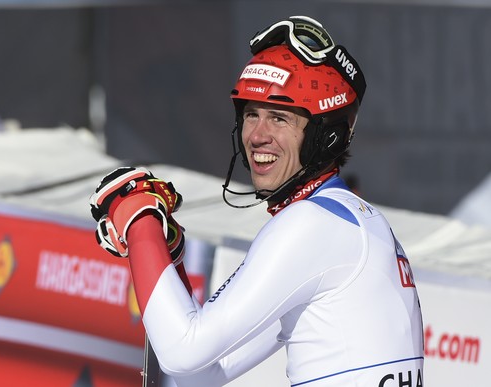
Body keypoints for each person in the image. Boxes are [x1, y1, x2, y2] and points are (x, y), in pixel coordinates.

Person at [90, 15, 424, 387]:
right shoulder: (355, 220)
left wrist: (140, 220)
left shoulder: (310, 225)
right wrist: (166, 257)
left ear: (324, 137)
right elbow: (200, 374)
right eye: (251, 114)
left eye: (279, 118)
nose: (257, 136)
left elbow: (183, 354)